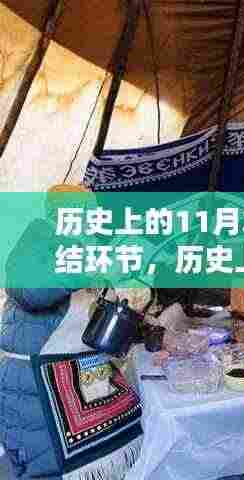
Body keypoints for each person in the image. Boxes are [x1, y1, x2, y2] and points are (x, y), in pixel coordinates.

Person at [0, 185, 147, 478]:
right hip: (35, 385)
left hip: (80, 377)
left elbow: (97, 320)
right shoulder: (37, 240)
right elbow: (31, 290)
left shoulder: (82, 248)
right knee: (46, 465)